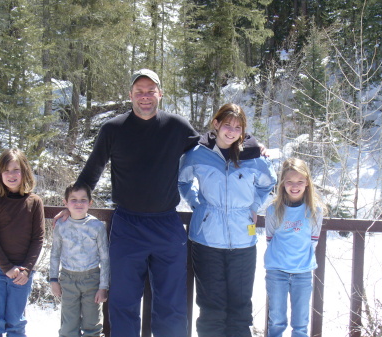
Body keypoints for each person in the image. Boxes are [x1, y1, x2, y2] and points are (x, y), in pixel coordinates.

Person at [53, 68, 200, 337]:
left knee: (172, 304)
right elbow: (92, 170)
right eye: (139, 92)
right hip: (127, 225)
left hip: (167, 223)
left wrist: (249, 146)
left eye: (150, 91)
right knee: (123, 302)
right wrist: (73, 202)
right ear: (130, 95)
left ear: (160, 93)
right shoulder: (113, 128)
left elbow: (210, 152)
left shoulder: (177, 127)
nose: (145, 97)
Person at [178, 103, 277, 337]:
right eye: (227, 125)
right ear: (216, 124)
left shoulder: (253, 156)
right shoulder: (197, 154)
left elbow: (268, 183)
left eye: (237, 127)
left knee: (240, 308)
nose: (231, 131)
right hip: (206, 241)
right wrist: (197, 204)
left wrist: (253, 206)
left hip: (243, 240)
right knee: (211, 307)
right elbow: (182, 181)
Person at [0, 148, 45, 337]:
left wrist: (26, 269)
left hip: (22, 272)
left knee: (16, 323)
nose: (11, 175)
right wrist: (6, 267)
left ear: (24, 171)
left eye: (16, 169)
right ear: (0, 174)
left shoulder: (34, 202)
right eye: (6, 170)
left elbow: (38, 238)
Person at [264, 157, 327, 337]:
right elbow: (270, 238)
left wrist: (299, 259)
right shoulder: (273, 210)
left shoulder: (315, 211)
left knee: (300, 324)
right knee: (276, 321)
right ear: (283, 183)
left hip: (302, 272)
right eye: (290, 181)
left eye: (300, 181)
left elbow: (313, 239)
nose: (295, 185)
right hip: (277, 271)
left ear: (307, 182)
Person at [50, 182, 110, 337]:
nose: (78, 203)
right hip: (68, 280)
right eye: (73, 200)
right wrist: (53, 279)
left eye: (83, 200)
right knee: (68, 326)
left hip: (92, 280)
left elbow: (104, 258)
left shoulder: (96, 226)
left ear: (90, 203)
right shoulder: (61, 226)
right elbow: (55, 253)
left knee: (92, 325)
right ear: (66, 203)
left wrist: (103, 287)